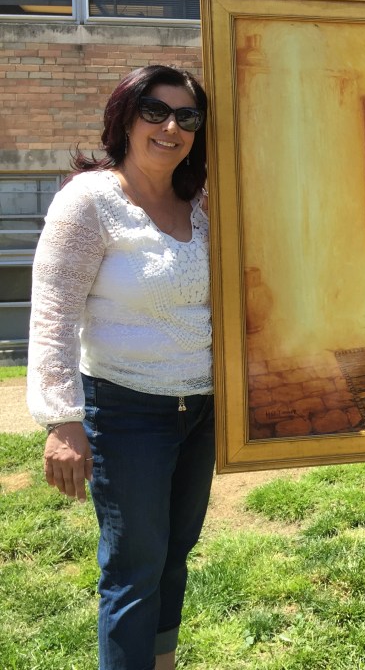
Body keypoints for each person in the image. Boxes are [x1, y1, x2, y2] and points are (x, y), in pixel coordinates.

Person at [27, 65, 214, 670]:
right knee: (134, 568)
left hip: (201, 408)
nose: (171, 126)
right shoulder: (89, 201)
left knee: (175, 554)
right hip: (126, 409)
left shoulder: (202, 203)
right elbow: (53, 313)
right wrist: (63, 421)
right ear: (126, 117)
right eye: (155, 111)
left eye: (187, 116)